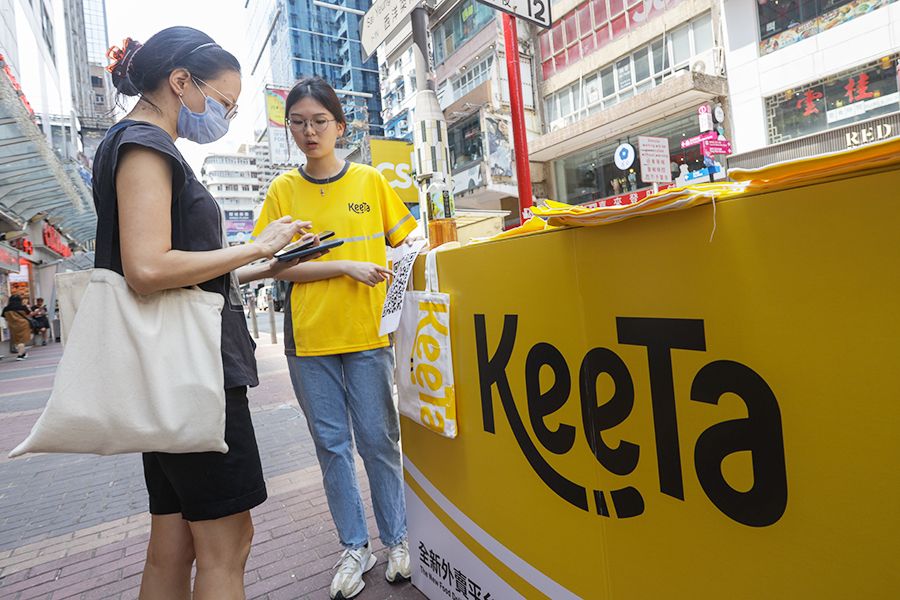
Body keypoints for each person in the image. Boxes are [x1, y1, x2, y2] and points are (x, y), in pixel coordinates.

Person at [97, 27, 323, 600]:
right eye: (224, 102)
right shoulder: (146, 146)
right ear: (180, 81)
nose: (226, 116)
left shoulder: (131, 143)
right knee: (227, 546)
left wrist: (263, 264)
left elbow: (177, 272)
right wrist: (255, 247)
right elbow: (147, 267)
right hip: (194, 375)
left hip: (167, 370)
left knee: (172, 546)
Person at [252, 76, 418, 600]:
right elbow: (272, 265)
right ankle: (354, 547)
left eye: (319, 121)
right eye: (298, 122)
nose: (309, 131)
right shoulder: (283, 191)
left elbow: (408, 243)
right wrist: (343, 265)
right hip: (309, 342)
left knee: (379, 442)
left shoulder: (370, 181)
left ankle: (398, 539)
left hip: (367, 335)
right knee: (332, 447)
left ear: (340, 127)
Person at [2, 295, 32, 360]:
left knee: (17, 341)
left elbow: (4, 317)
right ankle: (20, 355)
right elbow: (29, 314)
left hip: (12, 326)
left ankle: (23, 353)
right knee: (22, 341)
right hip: (23, 325)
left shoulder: (6, 309)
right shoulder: (22, 307)